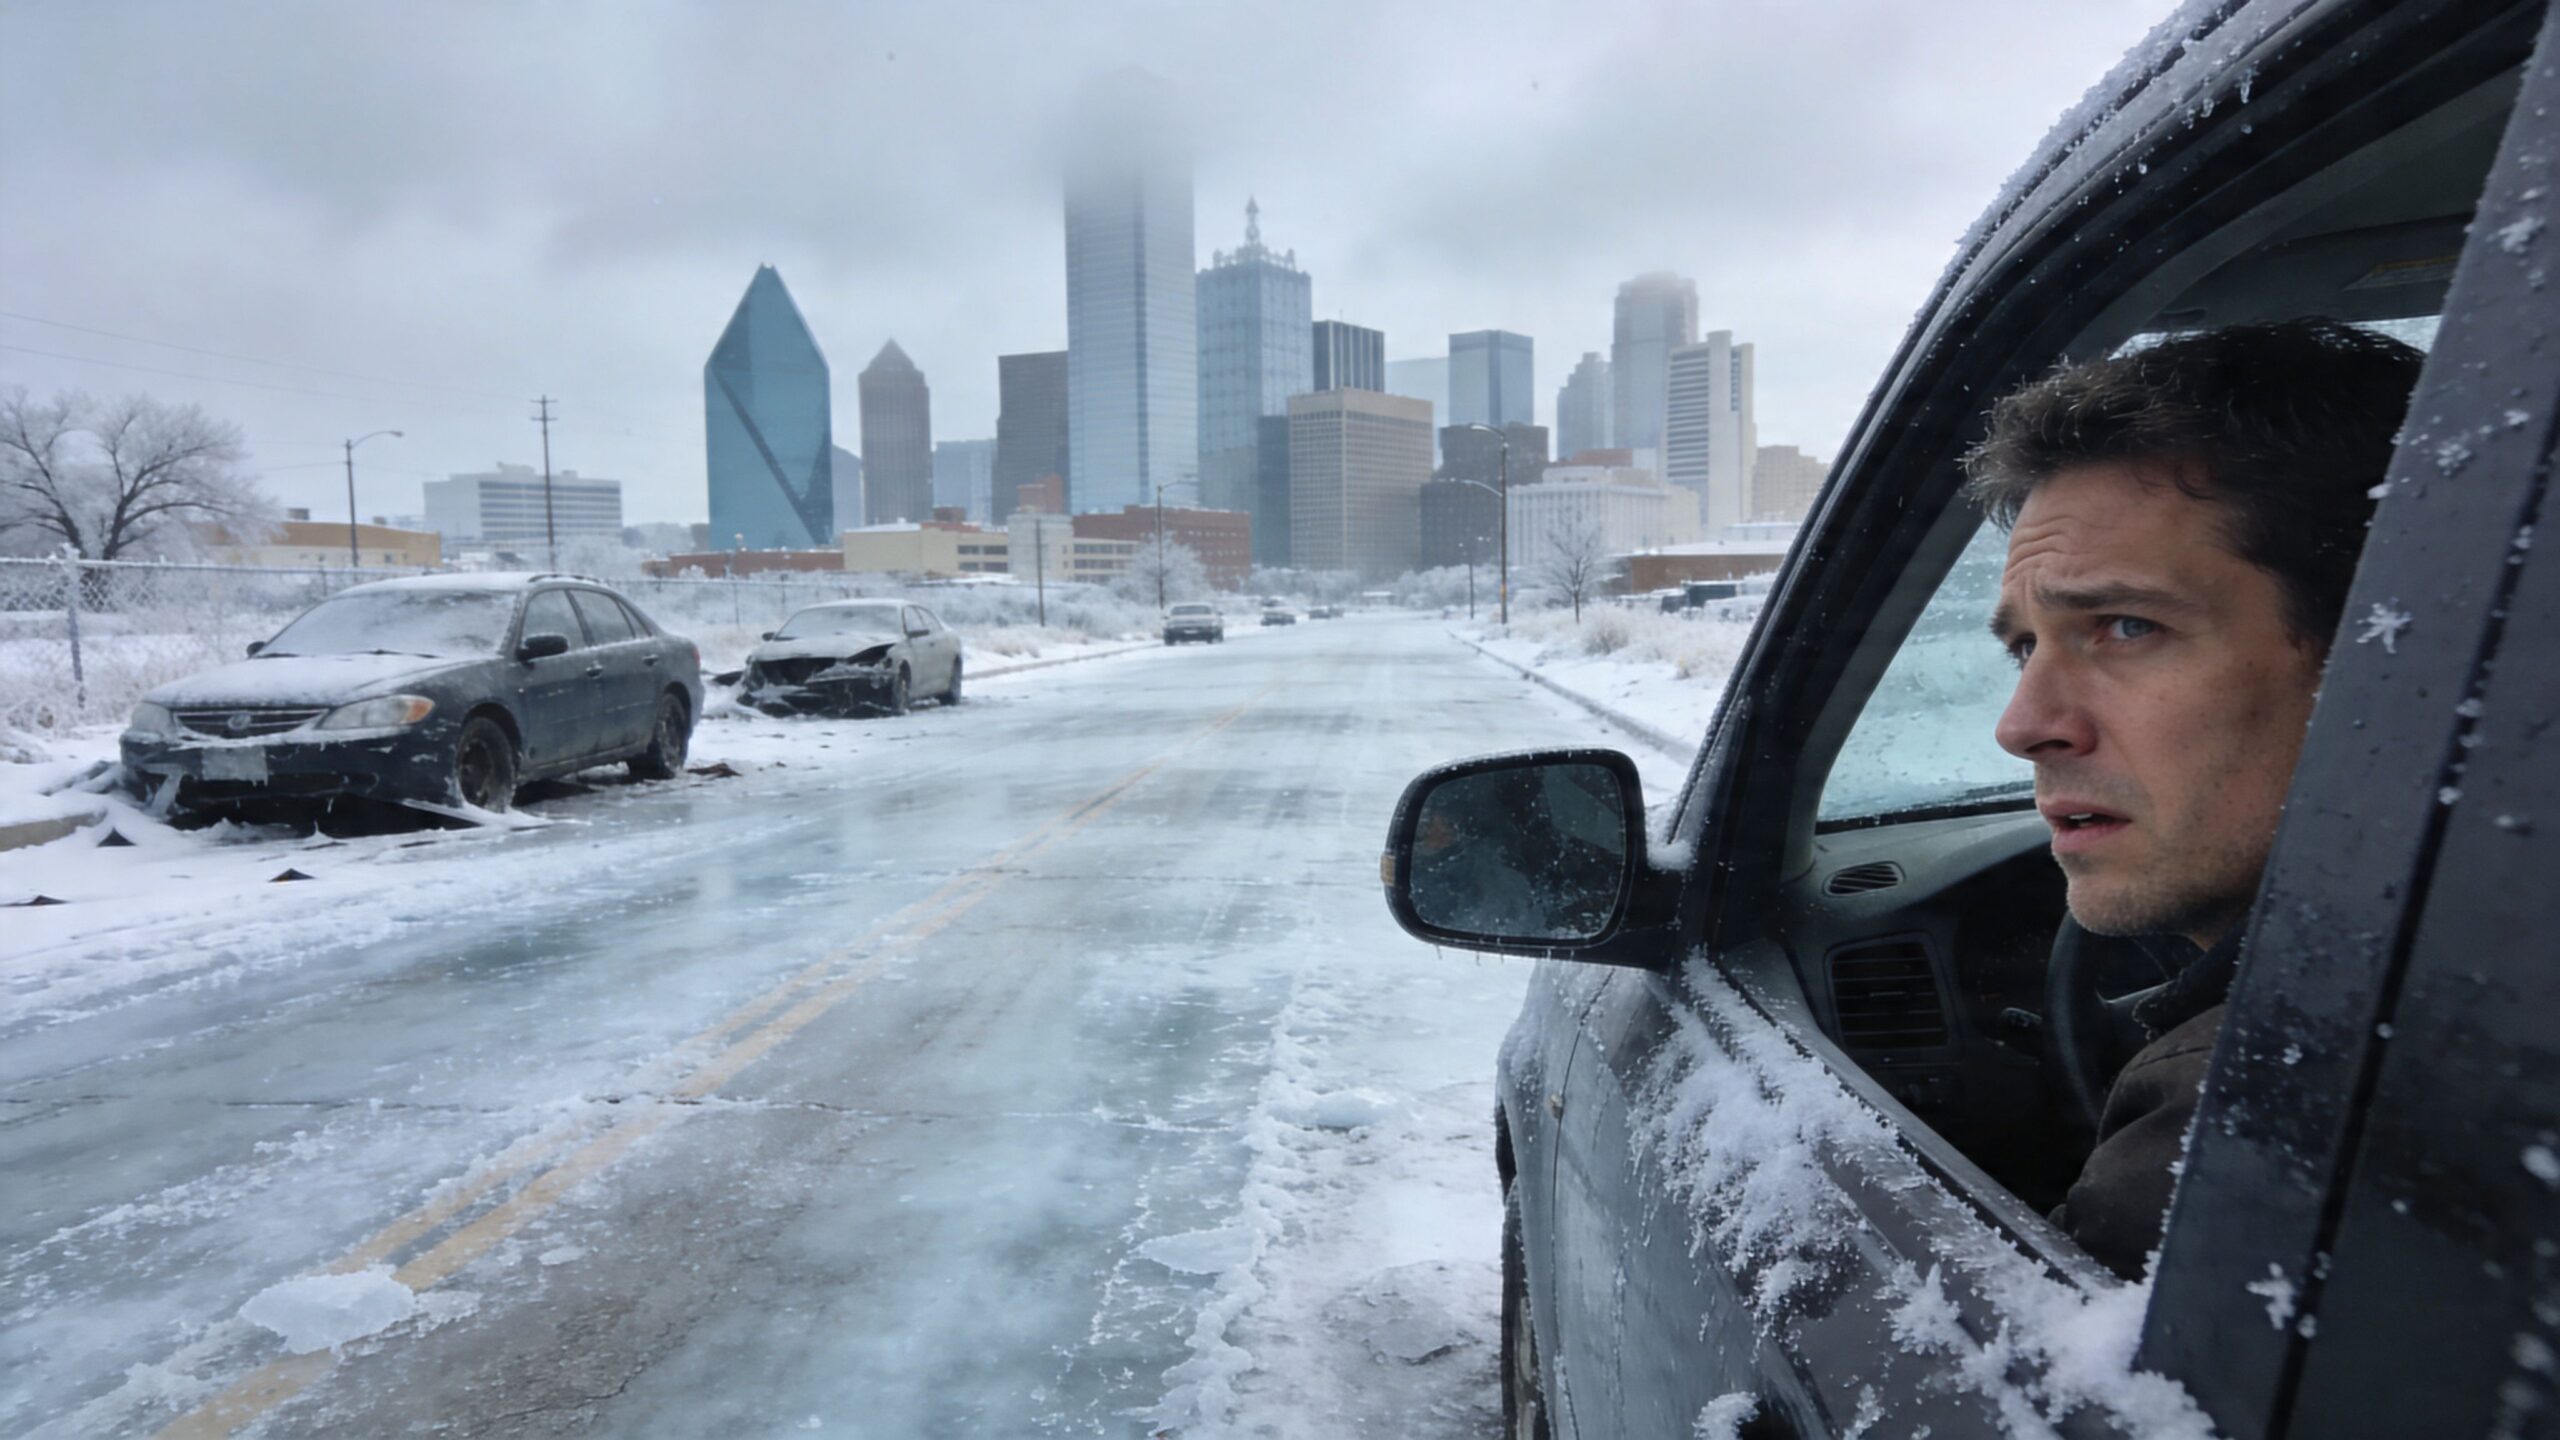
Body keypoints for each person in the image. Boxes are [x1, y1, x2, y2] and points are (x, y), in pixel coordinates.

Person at [1962, 318, 2425, 1278]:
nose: (2023, 725)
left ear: (2390, 654)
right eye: (2024, 647)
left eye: (2125, 626)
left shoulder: (2243, 1125)